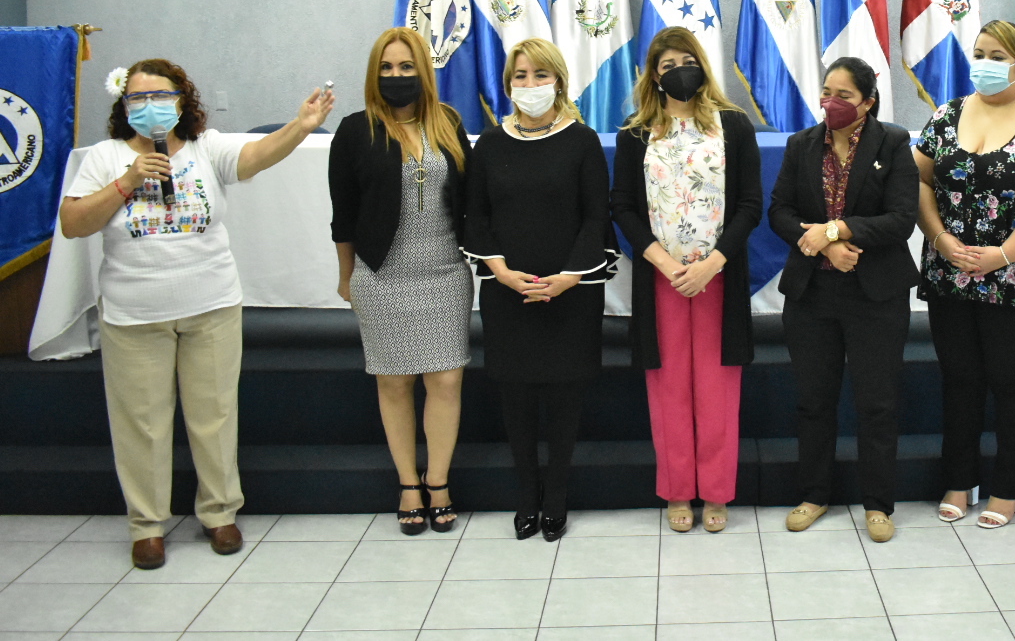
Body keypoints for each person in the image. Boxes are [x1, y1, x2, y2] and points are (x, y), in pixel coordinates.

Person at [59, 59, 333, 570]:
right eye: (138, 98)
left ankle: (219, 513)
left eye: (160, 96)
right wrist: (127, 182)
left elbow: (254, 158)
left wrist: (300, 127)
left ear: (182, 100)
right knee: (142, 425)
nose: (149, 106)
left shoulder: (206, 147)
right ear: (124, 106)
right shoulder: (105, 156)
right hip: (134, 316)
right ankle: (147, 525)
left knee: (214, 416)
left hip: (210, 307)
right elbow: (73, 223)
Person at [915, 20, 1015, 529]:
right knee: (959, 379)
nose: (984, 63)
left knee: (1013, 381)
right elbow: (918, 182)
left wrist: (1002, 256)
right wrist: (939, 239)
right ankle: (959, 480)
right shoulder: (946, 116)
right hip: (951, 270)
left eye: (997, 56)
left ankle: (1008, 488)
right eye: (979, 53)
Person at [611, 27, 762, 533]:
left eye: (688, 61)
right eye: (668, 64)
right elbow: (623, 207)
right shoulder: (636, 133)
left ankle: (716, 492)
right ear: (654, 75)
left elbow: (750, 205)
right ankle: (677, 489)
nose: (680, 71)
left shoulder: (733, 125)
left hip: (717, 275)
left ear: (702, 65)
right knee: (669, 389)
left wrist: (711, 263)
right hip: (664, 280)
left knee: (717, 389)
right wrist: (664, 263)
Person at [464, 38, 615, 543]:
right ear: (508, 85)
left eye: (539, 75)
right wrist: (503, 272)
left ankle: (556, 497)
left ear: (559, 81)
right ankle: (526, 496)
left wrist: (569, 277)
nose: (530, 85)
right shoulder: (490, 144)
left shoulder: (582, 141)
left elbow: (596, 216)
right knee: (517, 398)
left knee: (566, 397)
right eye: (520, 76)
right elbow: (476, 215)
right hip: (508, 291)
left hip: (571, 291)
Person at [328, 28, 474, 534]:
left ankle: (439, 481)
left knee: (446, 380)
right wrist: (347, 278)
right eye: (387, 68)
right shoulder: (355, 131)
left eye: (406, 67)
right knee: (394, 382)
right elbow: (343, 215)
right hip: (381, 275)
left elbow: (471, 198)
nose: (396, 76)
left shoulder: (449, 123)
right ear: (374, 74)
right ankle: (408, 483)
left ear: (423, 72)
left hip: (444, 274)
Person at [768, 57, 918, 543]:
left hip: (875, 294)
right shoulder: (801, 144)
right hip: (812, 293)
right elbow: (779, 212)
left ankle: (878, 504)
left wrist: (837, 230)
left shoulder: (892, 142)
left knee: (877, 403)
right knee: (814, 401)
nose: (831, 102)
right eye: (827, 92)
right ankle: (814, 495)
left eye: (844, 95)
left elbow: (901, 219)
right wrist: (823, 245)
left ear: (867, 102)